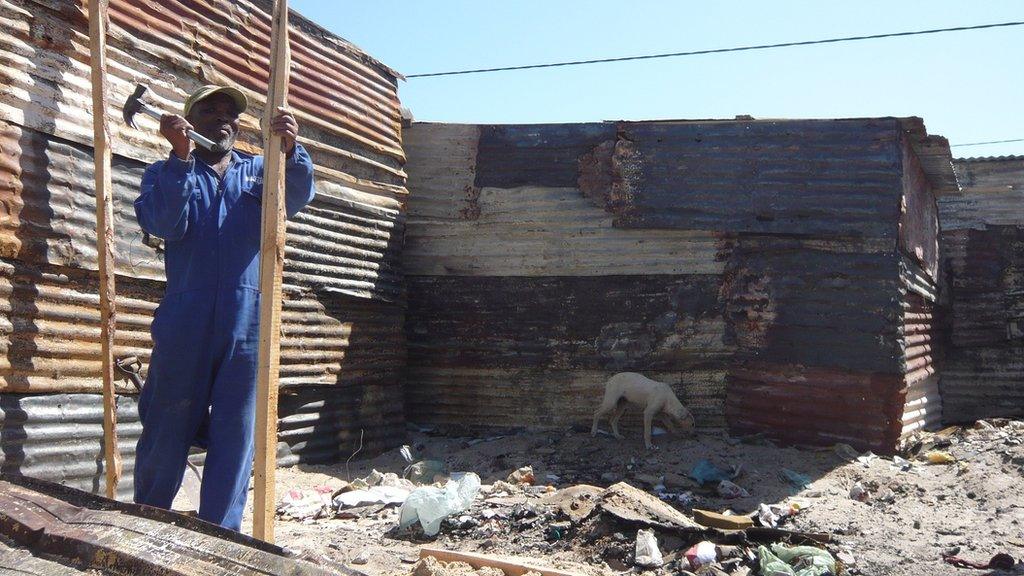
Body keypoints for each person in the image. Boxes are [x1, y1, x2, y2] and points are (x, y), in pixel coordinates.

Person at [132, 85, 315, 530]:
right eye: (209, 111)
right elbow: (165, 223)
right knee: (166, 426)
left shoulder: (260, 171)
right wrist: (179, 158)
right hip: (185, 321)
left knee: (235, 435)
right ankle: (145, 524)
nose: (221, 119)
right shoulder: (163, 172)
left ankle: (219, 537)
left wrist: (292, 149)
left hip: (246, 323)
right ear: (190, 120)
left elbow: (295, 197)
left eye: (228, 113)